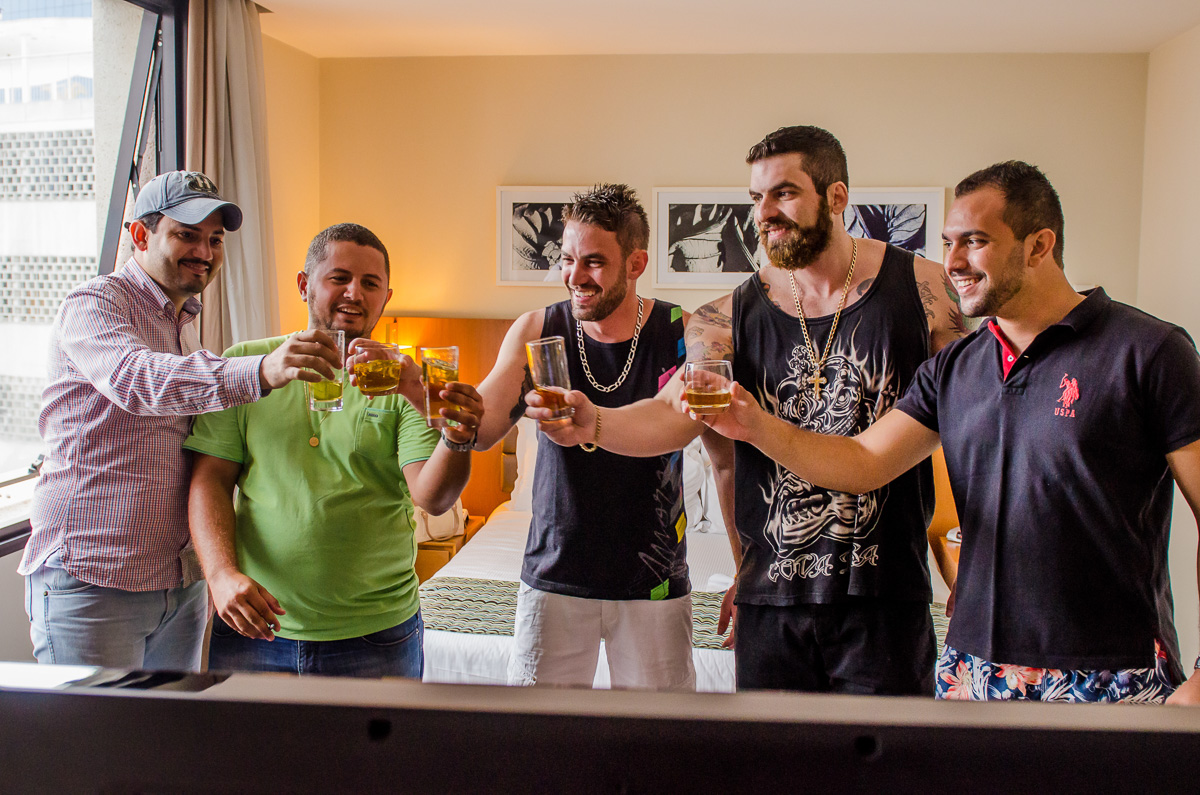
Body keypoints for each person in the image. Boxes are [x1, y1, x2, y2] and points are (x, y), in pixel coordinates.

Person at [690, 160, 1200, 704]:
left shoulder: (1148, 351)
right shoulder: (954, 368)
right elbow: (862, 462)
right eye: (948, 242)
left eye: (974, 242)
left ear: (1039, 244)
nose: (952, 262)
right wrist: (753, 424)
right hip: (974, 671)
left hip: (1110, 669)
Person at [530, 126, 964, 695]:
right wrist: (596, 421)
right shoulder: (723, 316)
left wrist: (978, 554)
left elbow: (972, 430)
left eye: (783, 193)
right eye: (756, 198)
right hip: (772, 604)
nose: (765, 213)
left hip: (886, 594)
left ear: (836, 198)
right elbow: (674, 414)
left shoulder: (925, 289)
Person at [19, 170, 341, 671]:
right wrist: (261, 369)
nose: (205, 252)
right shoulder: (96, 303)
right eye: (186, 234)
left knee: (167, 743)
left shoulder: (183, 323)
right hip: (94, 575)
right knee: (95, 744)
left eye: (214, 239)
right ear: (140, 236)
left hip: (179, 581)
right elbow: (137, 380)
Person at [185, 223, 483, 678]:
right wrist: (220, 574)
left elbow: (433, 497)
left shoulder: (407, 381)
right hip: (257, 629)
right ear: (305, 284)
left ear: (386, 296)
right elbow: (210, 480)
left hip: (376, 634)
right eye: (339, 278)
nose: (354, 294)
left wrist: (455, 434)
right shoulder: (247, 364)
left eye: (370, 283)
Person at [472, 184, 707, 690]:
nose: (574, 277)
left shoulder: (680, 332)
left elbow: (714, 449)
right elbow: (481, 427)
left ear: (636, 263)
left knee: (658, 746)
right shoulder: (537, 330)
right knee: (541, 747)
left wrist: (746, 565)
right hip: (555, 575)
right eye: (566, 259)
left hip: (654, 582)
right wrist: (419, 388)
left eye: (594, 262)